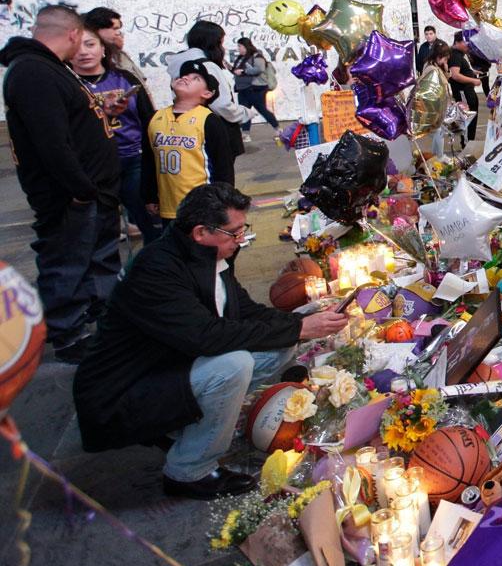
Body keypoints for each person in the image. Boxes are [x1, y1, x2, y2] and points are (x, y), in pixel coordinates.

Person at [73, 183, 348, 498]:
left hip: (172, 366)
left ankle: (191, 425)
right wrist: (300, 328)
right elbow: (207, 337)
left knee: (279, 343)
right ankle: (188, 472)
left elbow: (247, 312)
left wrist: (303, 322)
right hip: (122, 390)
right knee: (235, 364)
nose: (241, 239)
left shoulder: (210, 257)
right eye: (234, 232)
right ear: (201, 232)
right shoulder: (157, 268)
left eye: (244, 229)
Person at [0, 5, 121, 363]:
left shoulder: (50, 71)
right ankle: (67, 333)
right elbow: (51, 142)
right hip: (70, 196)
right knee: (68, 263)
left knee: (91, 261)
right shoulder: (34, 73)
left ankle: (96, 319)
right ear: (71, 35)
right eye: (80, 41)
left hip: (90, 192)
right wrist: (80, 190)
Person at [71, 23, 159, 244]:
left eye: (90, 44)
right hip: (93, 166)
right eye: (76, 46)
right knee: (101, 225)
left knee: (148, 218)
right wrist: (102, 112)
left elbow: (148, 116)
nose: (84, 52)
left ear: (103, 49)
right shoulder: (68, 84)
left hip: (133, 158)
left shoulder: (124, 78)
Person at [145, 61, 235, 225]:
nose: (186, 78)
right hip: (168, 207)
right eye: (183, 75)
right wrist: (150, 196)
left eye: (195, 78)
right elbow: (149, 161)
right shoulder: (156, 118)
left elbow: (223, 165)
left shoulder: (208, 120)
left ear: (207, 93)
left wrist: (224, 203)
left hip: (202, 208)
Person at [165, 21, 248, 172]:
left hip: (189, 128)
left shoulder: (179, 67)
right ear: (212, 43)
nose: (222, 48)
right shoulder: (208, 67)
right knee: (221, 181)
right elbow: (221, 104)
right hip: (216, 129)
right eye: (221, 43)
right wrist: (243, 113)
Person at [82, 6, 146, 88]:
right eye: (114, 29)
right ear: (98, 29)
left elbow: (140, 82)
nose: (118, 33)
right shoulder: (89, 56)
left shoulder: (119, 54)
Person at [229, 37, 280, 138]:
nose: (238, 48)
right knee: (244, 111)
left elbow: (259, 69)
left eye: (240, 46)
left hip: (256, 88)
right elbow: (237, 71)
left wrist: (243, 71)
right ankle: (245, 133)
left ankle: (277, 128)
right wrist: (231, 68)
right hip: (243, 88)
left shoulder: (257, 56)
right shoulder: (240, 58)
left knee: (262, 109)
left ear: (246, 46)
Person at [448, 38, 483, 143]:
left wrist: (471, 72)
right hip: (464, 93)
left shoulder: (459, 54)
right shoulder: (455, 55)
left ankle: (468, 143)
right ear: (457, 42)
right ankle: (467, 145)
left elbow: (460, 71)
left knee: (471, 117)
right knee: (467, 118)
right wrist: (474, 80)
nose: (468, 45)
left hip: (466, 92)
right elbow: (455, 75)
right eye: (465, 43)